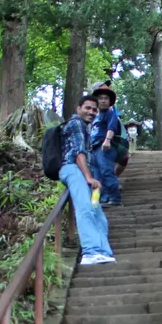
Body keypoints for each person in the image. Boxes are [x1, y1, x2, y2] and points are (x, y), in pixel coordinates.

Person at [59, 94, 117, 266]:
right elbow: (78, 153)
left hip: (82, 171)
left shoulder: (86, 128)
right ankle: (90, 251)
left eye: (94, 110)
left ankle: (103, 251)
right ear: (78, 109)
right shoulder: (76, 123)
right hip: (73, 169)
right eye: (88, 108)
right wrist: (89, 177)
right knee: (85, 207)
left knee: (97, 212)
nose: (91, 112)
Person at [88, 84, 124, 203]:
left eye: (105, 98)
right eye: (100, 98)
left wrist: (107, 140)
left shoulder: (110, 113)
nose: (103, 101)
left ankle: (115, 198)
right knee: (97, 175)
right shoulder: (96, 116)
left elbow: (112, 127)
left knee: (107, 171)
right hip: (94, 148)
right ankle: (102, 198)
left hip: (105, 147)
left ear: (110, 101)